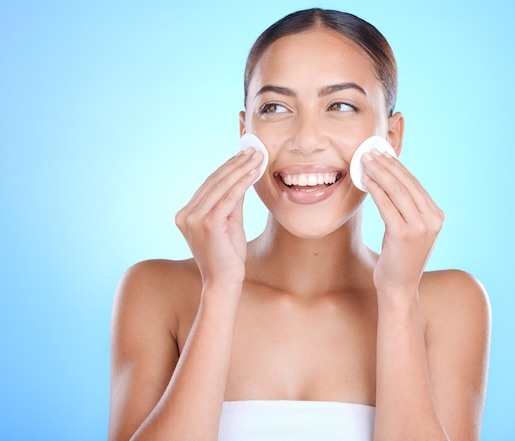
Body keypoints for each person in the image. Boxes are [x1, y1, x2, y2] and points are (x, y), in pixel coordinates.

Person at [108, 8, 490, 441]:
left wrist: (399, 298)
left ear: (392, 137)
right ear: (244, 130)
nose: (306, 139)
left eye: (341, 105)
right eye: (274, 107)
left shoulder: (450, 304)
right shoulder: (157, 290)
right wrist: (220, 290)